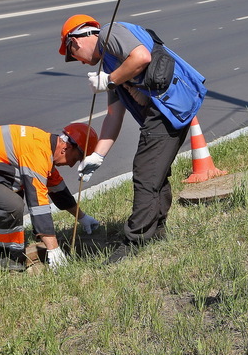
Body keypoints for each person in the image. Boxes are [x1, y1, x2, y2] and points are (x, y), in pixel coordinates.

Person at [60, 14, 206, 263]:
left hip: (167, 108)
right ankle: (156, 231)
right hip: (167, 110)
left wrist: (110, 80)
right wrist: (97, 156)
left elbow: (142, 57)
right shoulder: (109, 64)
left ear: (76, 42)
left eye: (74, 56)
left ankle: (134, 241)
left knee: (145, 173)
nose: (82, 63)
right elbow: (113, 116)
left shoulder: (109, 33)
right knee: (155, 173)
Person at [0, 122, 101, 272]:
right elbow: (38, 205)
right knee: (10, 204)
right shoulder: (37, 154)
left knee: (5, 199)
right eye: (76, 159)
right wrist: (53, 249)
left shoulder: (44, 147)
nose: (72, 165)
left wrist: (82, 217)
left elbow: (59, 191)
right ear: (65, 148)